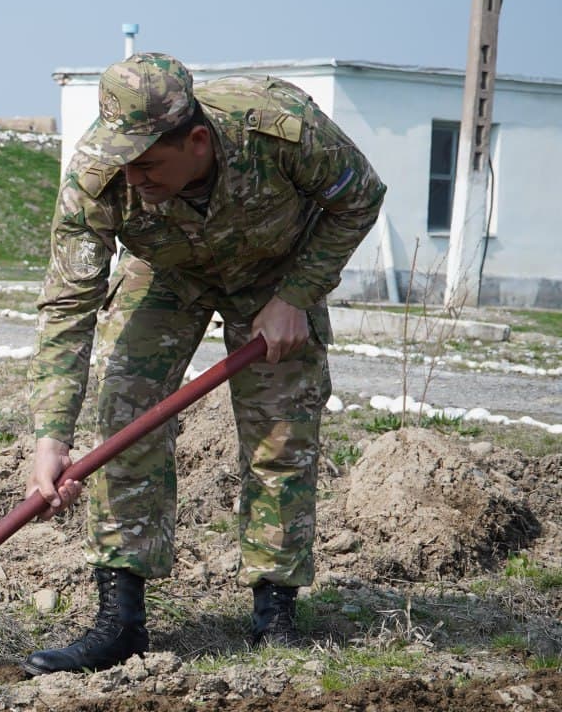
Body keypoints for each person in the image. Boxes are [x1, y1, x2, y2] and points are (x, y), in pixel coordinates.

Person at [22, 53, 385, 675]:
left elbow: (358, 197)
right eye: (124, 163)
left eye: (148, 164)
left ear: (196, 141)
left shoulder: (277, 127)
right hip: (166, 273)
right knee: (123, 410)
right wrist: (50, 434)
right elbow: (68, 303)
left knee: (281, 431)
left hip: (274, 273)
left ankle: (276, 615)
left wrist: (296, 295)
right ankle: (120, 621)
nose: (133, 178)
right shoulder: (99, 173)